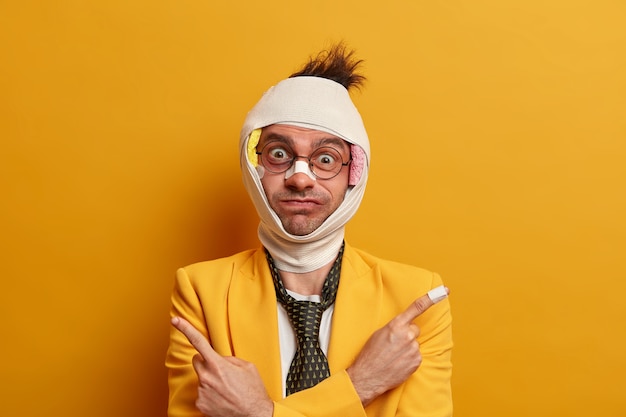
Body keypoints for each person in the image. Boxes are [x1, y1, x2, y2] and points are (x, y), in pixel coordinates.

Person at [166, 43, 453, 417]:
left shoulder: (415, 300)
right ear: (254, 166)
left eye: (326, 158)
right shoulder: (201, 291)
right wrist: (360, 385)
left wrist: (259, 413)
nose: (300, 179)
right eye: (279, 154)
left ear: (355, 172)